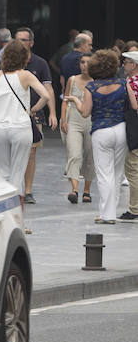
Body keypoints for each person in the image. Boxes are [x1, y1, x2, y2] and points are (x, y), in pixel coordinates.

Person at [0, 41, 53, 234]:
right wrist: (32, 110)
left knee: (1, 172)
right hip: (20, 126)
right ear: (24, 58)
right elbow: (46, 95)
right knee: (18, 172)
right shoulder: (26, 75)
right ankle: (17, 222)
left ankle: (2, 219)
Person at [79, 49, 131, 225]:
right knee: (117, 174)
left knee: (104, 174)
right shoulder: (124, 84)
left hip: (101, 131)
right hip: (121, 129)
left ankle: (105, 214)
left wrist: (76, 103)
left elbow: (85, 113)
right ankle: (112, 211)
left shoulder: (91, 88)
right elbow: (133, 105)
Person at [12, 27, 56, 204]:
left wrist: (52, 112)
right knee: (13, 151)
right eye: (18, 40)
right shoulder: (8, 63)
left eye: (24, 40)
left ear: (31, 42)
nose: (21, 43)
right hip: (12, 112)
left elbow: (48, 88)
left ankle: (28, 190)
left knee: (31, 152)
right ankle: (15, 188)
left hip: (34, 113)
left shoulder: (40, 63)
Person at [60, 53, 95, 206]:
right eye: (82, 62)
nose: (84, 65)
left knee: (89, 155)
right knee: (74, 154)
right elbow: (65, 100)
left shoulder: (97, 82)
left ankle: (87, 190)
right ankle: (74, 189)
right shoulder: (72, 80)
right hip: (73, 119)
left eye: (88, 62)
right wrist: (63, 119)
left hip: (91, 121)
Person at [121, 51, 138, 222]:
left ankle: (134, 208)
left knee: (133, 170)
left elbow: (134, 107)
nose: (123, 65)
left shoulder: (131, 83)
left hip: (134, 131)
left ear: (133, 65)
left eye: (126, 62)